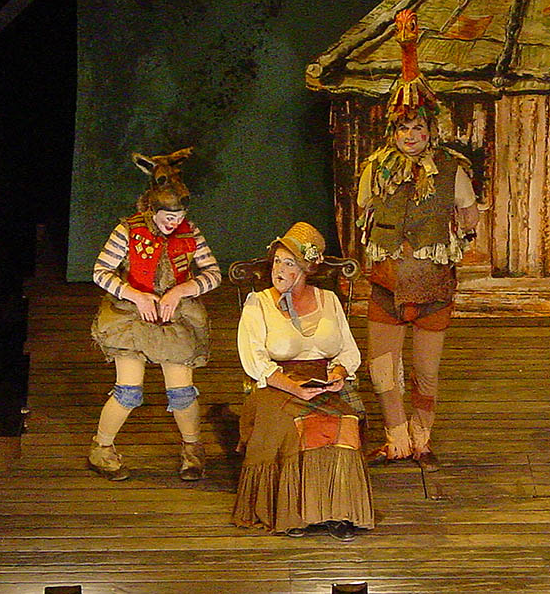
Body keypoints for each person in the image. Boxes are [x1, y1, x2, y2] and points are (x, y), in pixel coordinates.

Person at [356, 9, 480, 472]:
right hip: (388, 285)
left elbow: (468, 219)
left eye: (419, 128)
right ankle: (396, 440)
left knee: (426, 371)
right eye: (404, 128)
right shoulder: (376, 168)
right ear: (393, 131)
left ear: (431, 131)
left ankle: (422, 440)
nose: (412, 136)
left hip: (432, 288)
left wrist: (445, 250)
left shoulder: (450, 169)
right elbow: (365, 213)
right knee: (384, 366)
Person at [233, 222, 373, 541]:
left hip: (321, 383)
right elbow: (256, 362)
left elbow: (348, 351)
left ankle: (338, 510)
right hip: (276, 386)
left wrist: (337, 375)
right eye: (277, 260)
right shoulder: (259, 303)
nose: (279, 269)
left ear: (306, 269)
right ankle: (295, 512)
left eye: (289, 263)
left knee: (345, 424)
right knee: (296, 426)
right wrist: (295, 387)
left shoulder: (329, 301)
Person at [88, 148, 222, 482]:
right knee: (129, 391)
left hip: (174, 319)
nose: (172, 225)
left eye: (177, 219)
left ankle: (192, 450)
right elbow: (101, 271)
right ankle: (101, 448)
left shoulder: (190, 233)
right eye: (167, 219)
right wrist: (134, 294)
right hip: (131, 318)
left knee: (181, 392)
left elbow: (213, 273)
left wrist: (181, 290)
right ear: (152, 207)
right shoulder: (129, 231)